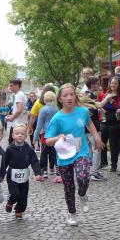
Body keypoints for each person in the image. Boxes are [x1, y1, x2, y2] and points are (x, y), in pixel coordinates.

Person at [45, 84, 104, 226]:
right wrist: (58, 137)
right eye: (65, 95)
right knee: (69, 187)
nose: (69, 98)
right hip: (64, 156)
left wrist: (96, 137)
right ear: (60, 99)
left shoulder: (83, 112)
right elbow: (48, 141)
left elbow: (89, 124)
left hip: (81, 151)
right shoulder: (57, 118)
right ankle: (72, 213)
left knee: (83, 177)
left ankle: (82, 195)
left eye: (72, 94)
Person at [4, 125, 44, 220]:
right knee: (15, 193)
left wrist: (38, 173)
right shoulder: (10, 149)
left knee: (23, 195)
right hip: (12, 175)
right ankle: (10, 202)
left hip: (24, 175)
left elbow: (34, 161)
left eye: (22, 134)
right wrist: (0, 174)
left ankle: (19, 210)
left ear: (26, 136)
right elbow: (4, 162)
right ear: (13, 135)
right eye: (17, 133)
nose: (20, 135)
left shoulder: (29, 148)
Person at [98, 76, 120, 174]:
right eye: (111, 83)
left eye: (115, 83)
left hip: (115, 122)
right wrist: (101, 109)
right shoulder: (107, 94)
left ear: (119, 85)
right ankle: (103, 162)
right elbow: (101, 105)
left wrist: (112, 101)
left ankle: (114, 165)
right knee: (102, 143)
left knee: (113, 144)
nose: (112, 85)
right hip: (105, 121)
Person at [33, 91, 58, 180]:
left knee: (44, 153)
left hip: (45, 134)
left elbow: (39, 125)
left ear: (44, 99)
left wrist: (35, 138)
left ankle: (44, 171)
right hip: (55, 134)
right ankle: (57, 171)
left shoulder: (43, 110)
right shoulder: (57, 109)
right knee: (55, 152)